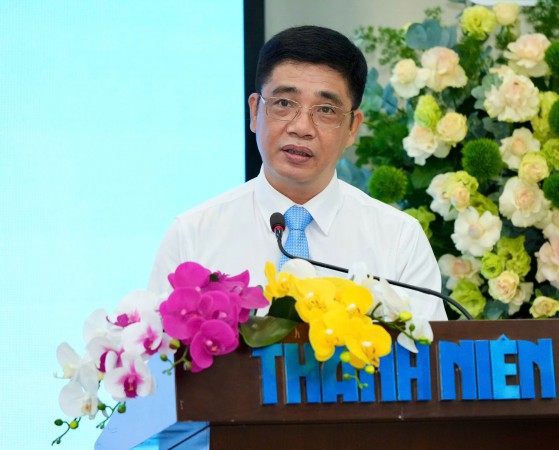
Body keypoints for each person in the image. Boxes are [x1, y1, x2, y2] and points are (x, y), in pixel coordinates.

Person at [149, 25, 447, 321]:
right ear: (255, 112)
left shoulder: (399, 240)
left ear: (352, 127)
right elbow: (164, 347)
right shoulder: (193, 234)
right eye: (283, 103)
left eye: (326, 110)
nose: (301, 127)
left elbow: (428, 349)